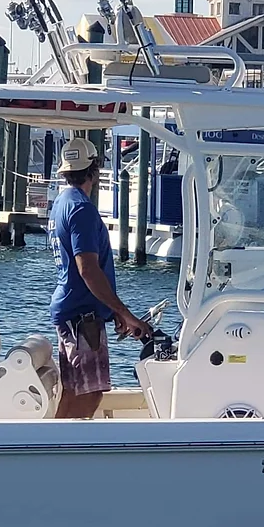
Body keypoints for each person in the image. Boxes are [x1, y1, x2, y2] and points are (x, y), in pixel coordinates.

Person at [48, 138, 152, 419]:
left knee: (74, 390)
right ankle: (64, 454)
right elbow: (88, 270)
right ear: (94, 169)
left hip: (75, 312)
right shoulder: (81, 209)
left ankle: (52, 452)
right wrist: (126, 314)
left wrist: (110, 311)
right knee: (91, 391)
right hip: (83, 317)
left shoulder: (62, 203)